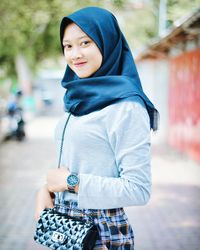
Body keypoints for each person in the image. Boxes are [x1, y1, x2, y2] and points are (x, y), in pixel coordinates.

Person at [35, 6, 159, 249]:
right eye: (68, 46)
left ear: (107, 42)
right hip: (66, 226)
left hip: (102, 234)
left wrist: (71, 181)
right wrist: (47, 189)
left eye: (85, 42)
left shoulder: (127, 107)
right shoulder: (77, 98)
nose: (75, 54)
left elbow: (138, 189)